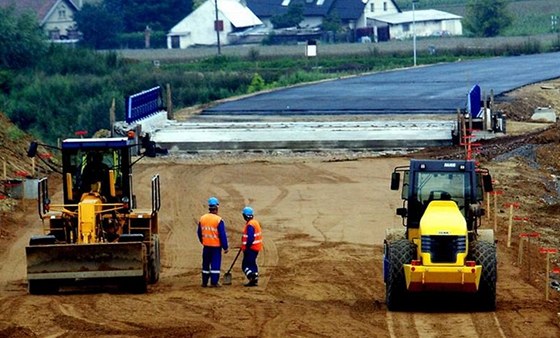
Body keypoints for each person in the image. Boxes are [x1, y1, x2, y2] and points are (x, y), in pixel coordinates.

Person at [197, 197, 229, 287]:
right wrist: (225, 247)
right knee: (215, 264)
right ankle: (214, 282)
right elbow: (222, 235)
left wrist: (203, 241)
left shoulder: (202, 218)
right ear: (217, 207)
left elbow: (199, 232)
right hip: (216, 247)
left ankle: (204, 282)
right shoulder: (218, 220)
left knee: (205, 264)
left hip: (206, 246)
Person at [240, 206, 263, 287]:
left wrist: (246, 246)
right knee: (253, 264)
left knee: (245, 265)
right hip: (256, 248)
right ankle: (255, 277)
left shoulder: (250, 225)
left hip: (250, 248)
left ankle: (251, 277)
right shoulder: (255, 223)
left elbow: (250, 237)